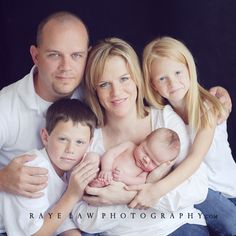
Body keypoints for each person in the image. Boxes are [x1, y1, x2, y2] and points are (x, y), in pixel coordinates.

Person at [72, 37, 209, 235]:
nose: (116, 92)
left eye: (124, 78)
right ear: (94, 91)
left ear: (137, 78)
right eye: (104, 84)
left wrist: (125, 197)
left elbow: (197, 188)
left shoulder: (164, 120)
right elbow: (82, 217)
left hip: (177, 227)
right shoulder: (89, 140)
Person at [142, 36, 236, 235]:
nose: (173, 83)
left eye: (178, 72)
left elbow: (195, 157)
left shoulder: (207, 108)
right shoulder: (162, 117)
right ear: (153, 84)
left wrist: (156, 191)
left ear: (189, 69)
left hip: (227, 191)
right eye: (162, 78)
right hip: (192, 191)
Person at [0, 11, 89, 198]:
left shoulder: (95, 95)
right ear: (35, 56)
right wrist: (2, 179)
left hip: (79, 217)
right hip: (20, 221)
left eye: (76, 55)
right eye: (54, 55)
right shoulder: (6, 105)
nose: (66, 66)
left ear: (87, 56)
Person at [0, 98, 98, 236]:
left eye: (80, 142)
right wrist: (72, 194)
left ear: (89, 144)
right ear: (45, 137)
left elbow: (57, 215)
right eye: (63, 139)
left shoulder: (67, 170)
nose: (70, 149)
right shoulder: (35, 170)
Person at [90, 128, 180, 187]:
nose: (146, 160)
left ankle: (97, 186)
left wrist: (123, 178)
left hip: (115, 185)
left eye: (153, 162)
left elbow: (140, 181)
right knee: (92, 157)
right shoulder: (129, 146)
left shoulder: (145, 172)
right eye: (145, 151)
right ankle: (92, 182)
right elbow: (110, 154)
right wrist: (106, 169)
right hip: (102, 170)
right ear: (144, 140)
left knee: (118, 187)